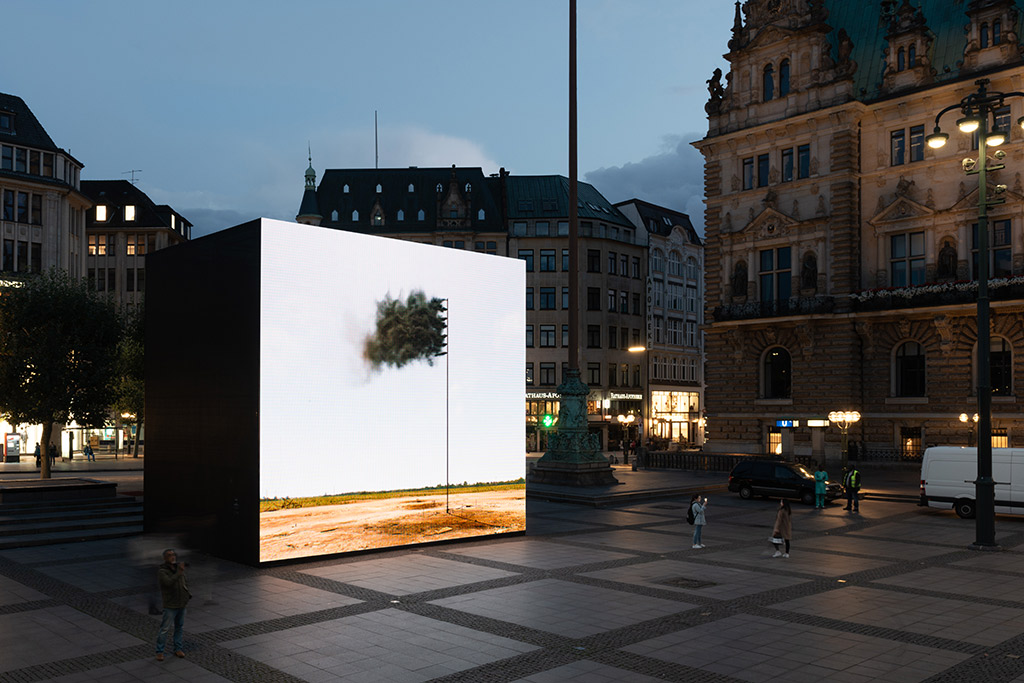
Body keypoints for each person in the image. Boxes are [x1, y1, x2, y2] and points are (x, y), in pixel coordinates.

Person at [155, 549, 191, 661]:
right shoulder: (162, 571)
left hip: (181, 603)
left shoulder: (177, 568)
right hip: (170, 605)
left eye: (173, 555)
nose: (173, 557)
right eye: (169, 555)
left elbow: (184, 581)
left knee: (179, 627)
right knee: (165, 628)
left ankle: (178, 648)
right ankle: (159, 651)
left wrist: (187, 594)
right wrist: (179, 572)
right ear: (165, 558)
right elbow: (168, 583)